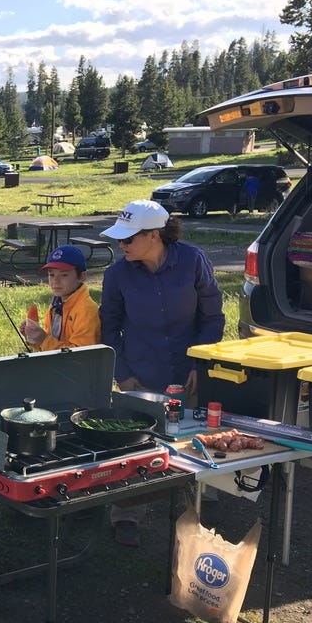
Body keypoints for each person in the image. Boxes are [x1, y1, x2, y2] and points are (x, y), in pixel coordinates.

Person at [98, 199, 225, 546]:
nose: (120, 245)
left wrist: (201, 361)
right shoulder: (118, 274)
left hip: (187, 370)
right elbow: (108, 327)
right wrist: (121, 373)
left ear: (153, 236)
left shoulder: (193, 261)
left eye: (127, 239)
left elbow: (213, 316)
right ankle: (126, 512)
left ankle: (201, 503)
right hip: (141, 370)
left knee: (195, 437)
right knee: (135, 444)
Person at [20, 244, 101, 351]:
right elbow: (52, 346)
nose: (55, 281)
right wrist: (33, 338)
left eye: (64, 275)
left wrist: (44, 340)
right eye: (51, 275)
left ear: (82, 276)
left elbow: (81, 357)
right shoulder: (56, 305)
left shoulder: (86, 310)